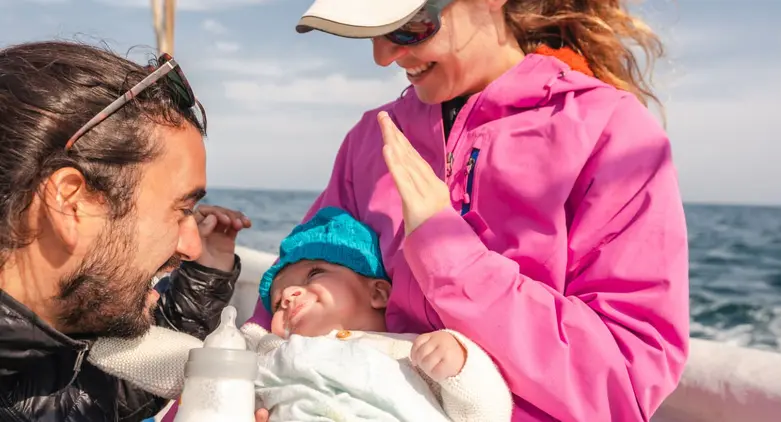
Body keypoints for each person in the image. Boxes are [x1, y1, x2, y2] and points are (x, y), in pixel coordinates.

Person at [246, 1, 691, 421]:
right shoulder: (372, 139)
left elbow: (625, 387)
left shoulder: (612, 132)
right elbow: (292, 280)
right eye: (373, 31)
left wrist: (450, 255)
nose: (384, 56)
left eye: (408, 25)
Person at [0, 40, 251, 422]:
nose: (190, 244)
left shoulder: (40, 360)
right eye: (181, 209)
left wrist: (207, 275)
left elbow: (97, 394)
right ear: (72, 203)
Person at [242, 206, 512, 421]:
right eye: (278, 303)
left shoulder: (408, 352)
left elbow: (485, 413)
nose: (289, 295)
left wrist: (460, 364)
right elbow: (232, 353)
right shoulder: (275, 351)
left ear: (378, 294)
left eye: (314, 273)